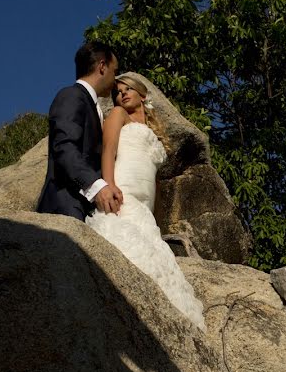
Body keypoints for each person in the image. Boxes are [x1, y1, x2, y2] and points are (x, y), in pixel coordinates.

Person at [85, 73, 206, 330]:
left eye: (128, 89)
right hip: (123, 187)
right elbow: (108, 149)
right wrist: (108, 185)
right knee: (126, 243)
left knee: (153, 250)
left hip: (145, 199)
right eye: (118, 91)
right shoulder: (118, 115)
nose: (122, 94)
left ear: (143, 95)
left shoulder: (153, 130)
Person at [37, 41, 123, 219]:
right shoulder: (71, 95)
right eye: (114, 72)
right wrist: (96, 186)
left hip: (84, 208)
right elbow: (64, 147)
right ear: (102, 67)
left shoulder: (92, 105)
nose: (115, 81)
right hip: (66, 205)